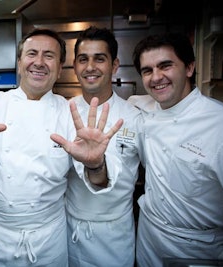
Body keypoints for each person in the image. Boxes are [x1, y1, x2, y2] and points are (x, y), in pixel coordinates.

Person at [0, 28, 123, 266]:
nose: (39, 62)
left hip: (48, 238)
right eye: (32, 53)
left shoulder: (73, 114)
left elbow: (98, 181)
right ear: (20, 62)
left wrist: (96, 164)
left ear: (61, 65)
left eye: (49, 56)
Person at [128, 32, 223, 266]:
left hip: (197, 248)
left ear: (189, 68)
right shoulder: (143, 109)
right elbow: (130, 104)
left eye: (165, 66)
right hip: (148, 238)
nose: (156, 77)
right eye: (147, 70)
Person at [65, 26, 144, 267]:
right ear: (75, 66)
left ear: (115, 65)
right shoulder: (61, 112)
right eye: (83, 59)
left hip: (115, 235)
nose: (90, 67)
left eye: (100, 59)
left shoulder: (135, 117)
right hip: (69, 230)